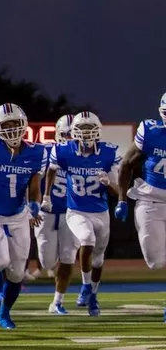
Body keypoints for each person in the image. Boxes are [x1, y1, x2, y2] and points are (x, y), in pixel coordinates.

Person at [42, 111, 119, 317]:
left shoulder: (108, 153)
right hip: (76, 210)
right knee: (86, 240)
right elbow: (50, 169)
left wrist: (108, 183)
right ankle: (85, 286)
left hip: (101, 212)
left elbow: (117, 190)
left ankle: (93, 296)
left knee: (98, 260)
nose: (86, 135)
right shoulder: (63, 151)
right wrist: (46, 196)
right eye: (81, 130)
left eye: (90, 130)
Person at [0, 104, 44, 329]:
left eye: (15, 124)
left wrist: (35, 204)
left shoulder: (36, 152)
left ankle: (4, 313)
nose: (12, 129)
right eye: (6, 125)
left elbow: (34, 184)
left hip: (18, 215)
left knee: (17, 274)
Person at [116, 93, 166, 322]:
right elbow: (126, 165)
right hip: (151, 200)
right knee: (155, 261)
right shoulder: (150, 132)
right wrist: (121, 200)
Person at [34, 114, 78, 315]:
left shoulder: (85, 155)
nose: (70, 139)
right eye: (67, 134)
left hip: (73, 212)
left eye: (74, 134)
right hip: (47, 212)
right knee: (47, 262)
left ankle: (58, 301)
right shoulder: (44, 152)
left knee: (68, 258)